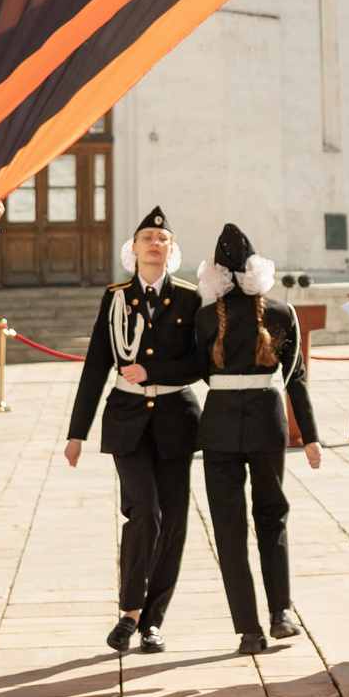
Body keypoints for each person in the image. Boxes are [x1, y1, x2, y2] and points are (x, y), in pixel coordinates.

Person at [66, 206, 203, 654]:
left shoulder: (188, 298)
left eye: (162, 239)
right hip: (127, 421)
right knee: (145, 512)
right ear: (134, 248)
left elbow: (199, 364)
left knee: (174, 524)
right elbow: (95, 365)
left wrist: (153, 368)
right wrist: (76, 432)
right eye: (146, 237)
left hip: (175, 420)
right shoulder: (116, 297)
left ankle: (153, 622)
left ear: (171, 248)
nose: (154, 244)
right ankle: (130, 613)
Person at [196, 223, 320, 654]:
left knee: (230, 528)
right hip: (269, 425)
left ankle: (249, 629)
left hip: (219, 429)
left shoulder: (205, 316)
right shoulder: (284, 312)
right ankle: (280, 613)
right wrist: (310, 437)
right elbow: (296, 379)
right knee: (273, 517)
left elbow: (196, 369)